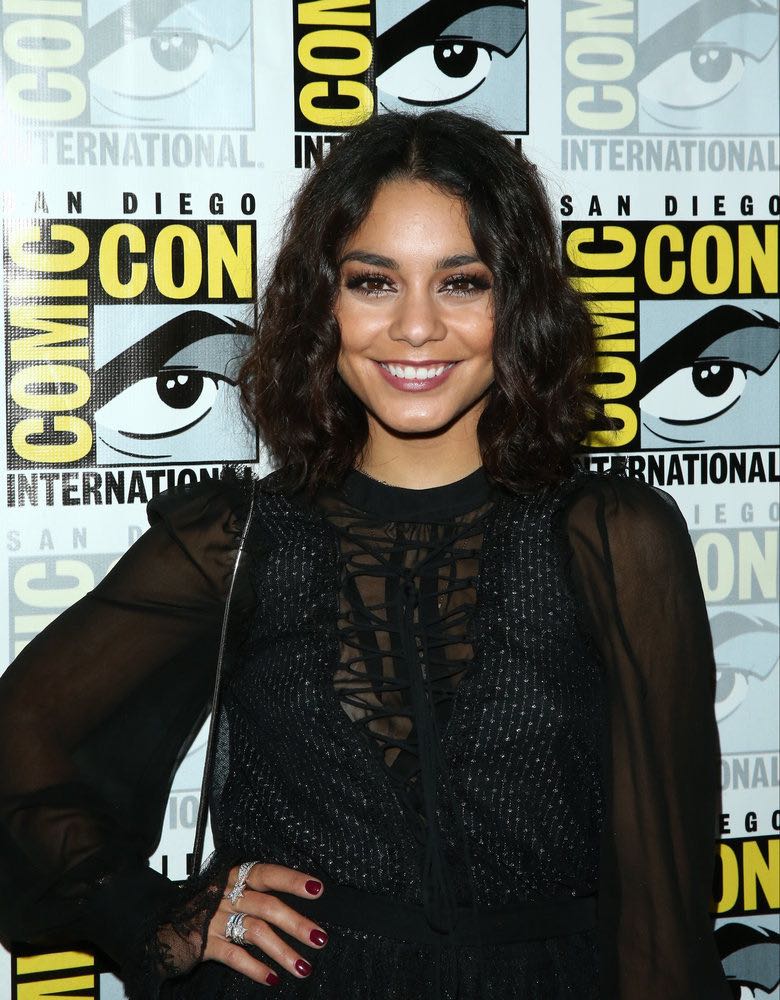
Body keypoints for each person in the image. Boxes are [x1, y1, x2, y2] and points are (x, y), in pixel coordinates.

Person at [0, 111, 730, 1000]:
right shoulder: (239, 540)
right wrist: (155, 915)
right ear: (323, 302)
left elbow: (666, 903)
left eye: (462, 282)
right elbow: (20, 732)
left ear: (519, 302)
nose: (416, 328)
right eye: (374, 282)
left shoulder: (613, 537)